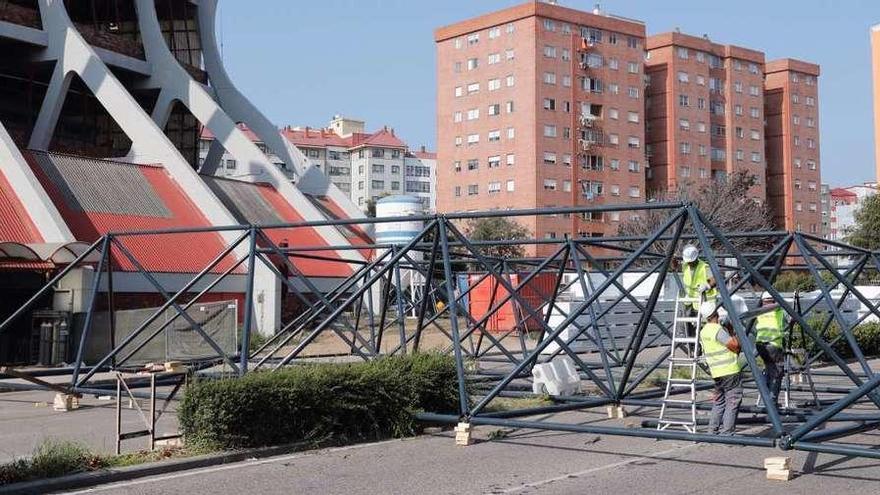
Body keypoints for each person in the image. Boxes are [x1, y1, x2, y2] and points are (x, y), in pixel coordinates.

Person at [699, 300, 743, 435]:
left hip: (716, 372)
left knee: (719, 402)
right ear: (715, 313)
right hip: (730, 371)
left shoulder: (703, 331)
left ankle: (712, 431)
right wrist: (731, 330)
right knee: (733, 402)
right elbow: (735, 346)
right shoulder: (718, 330)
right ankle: (727, 433)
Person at [755, 291, 786, 405]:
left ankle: (766, 397)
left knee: (768, 369)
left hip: (760, 345)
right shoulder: (777, 309)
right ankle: (772, 401)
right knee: (777, 373)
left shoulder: (759, 311)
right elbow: (788, 319)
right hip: (773, 345)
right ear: (773, 300)